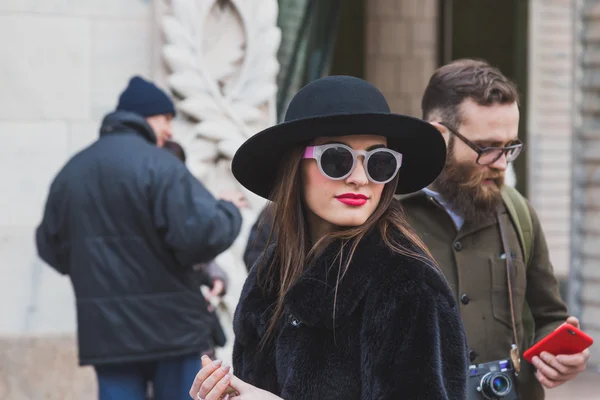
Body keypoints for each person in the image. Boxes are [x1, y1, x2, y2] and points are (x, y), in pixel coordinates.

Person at [189, 75, 469, 400]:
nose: (360, 179)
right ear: (295, 165)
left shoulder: (408, 285)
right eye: (337, 159)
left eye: (379, 162)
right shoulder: (268, 274)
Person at [36, 76, 245, 400]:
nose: (170, 131)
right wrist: (229, 210)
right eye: (166, 119)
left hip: (108, 337)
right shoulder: (160, 166)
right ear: (146, 116)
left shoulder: (71, 173)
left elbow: (49, 247)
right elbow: (202, 235)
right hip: (172, 333)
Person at [399, 59, 589, 399]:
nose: (502, 163)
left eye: (510, 147)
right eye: (487, 148)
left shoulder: (518, 212)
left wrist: (561, 354)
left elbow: (549, 316)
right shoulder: (385, 216)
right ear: (438, 135)